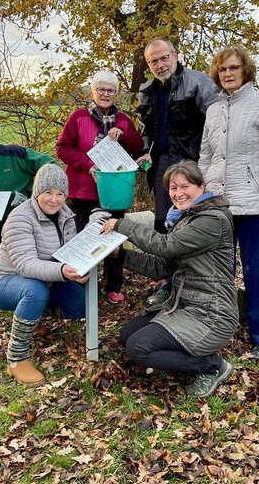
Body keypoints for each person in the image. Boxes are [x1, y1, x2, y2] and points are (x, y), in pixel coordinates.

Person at [100, 161, 237, 398]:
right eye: (173, 188)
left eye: (185, 186)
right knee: (126, 336)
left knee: (138, 347)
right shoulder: (186, 219)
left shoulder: (212, 220)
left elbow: (165, 245)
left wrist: (122, 225)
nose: (178, 193)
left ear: (201, 187)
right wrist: (119, 255)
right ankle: (185, 355)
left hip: (212, 313)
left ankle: (211, 366)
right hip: (187, 305)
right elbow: (162, 266)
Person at [198, 45, 259, 361]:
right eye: (223, 69)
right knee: (219, 271)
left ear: (245, 70)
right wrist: (200, 194)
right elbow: (206, 156)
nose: (228, 74)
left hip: (255, 206)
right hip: (218, 204)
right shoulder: (213, 110)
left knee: (257, 272)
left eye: (234, 68)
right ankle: (220, 329)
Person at [0, 164, 88, 386]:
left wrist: (81, 266)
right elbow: (25, 265)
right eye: (48, 192)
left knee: (81, 304)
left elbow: (70, 251)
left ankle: (32, 316)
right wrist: (62, 271)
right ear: (37, 192)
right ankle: (17, 358)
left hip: (47, 279)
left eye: (60, 193)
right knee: (34, 290)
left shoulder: (67, 216)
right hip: (3, 282)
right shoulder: (19, 218)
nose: (54, 199)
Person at [136, 37, 219, 305]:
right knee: (165, 225)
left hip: (193, 165)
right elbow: (148, 129)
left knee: (192, 225)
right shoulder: (147, 90)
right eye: (153, 61)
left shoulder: (199, 83)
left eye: (163, 58)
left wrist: (209, 164)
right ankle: (168, 284)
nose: (160, 65)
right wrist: (147, 150)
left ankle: (198, 282)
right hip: (161, 167)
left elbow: (216, 125)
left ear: (175, 55)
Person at [56, 70, 144, 304]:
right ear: (92, 91)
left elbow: (137, 147)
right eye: (101, 89)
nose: (106, 94)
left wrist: (123, 134)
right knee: (81, 238)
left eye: (111, 90)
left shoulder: (123, 119)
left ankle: (113, 285)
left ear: (116, 94)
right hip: (83, 190)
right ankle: (79, 285)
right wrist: (88, 165)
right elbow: (63, 148)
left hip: (115, 192)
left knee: (113, 238)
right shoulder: (78, 118)